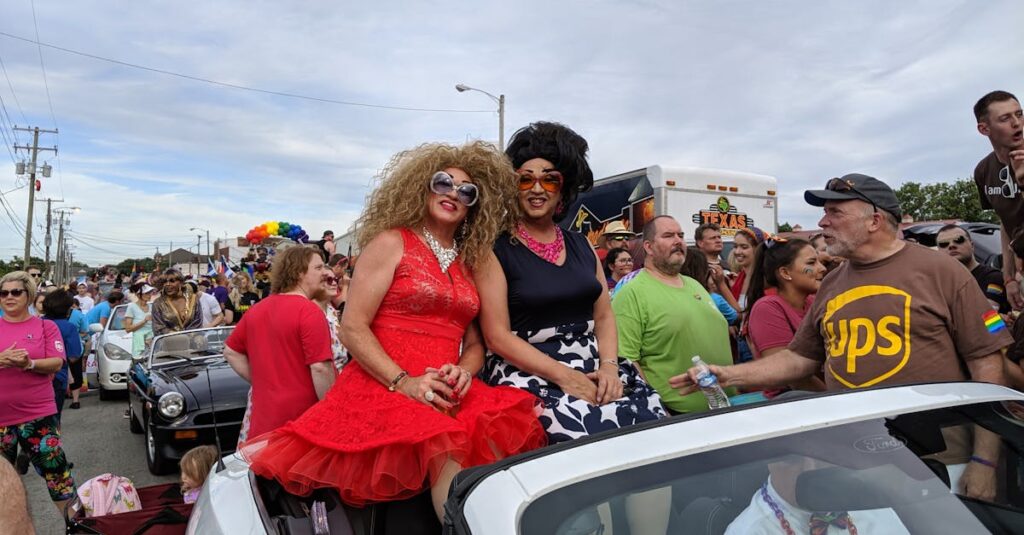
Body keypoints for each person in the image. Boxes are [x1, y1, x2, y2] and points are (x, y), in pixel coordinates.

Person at [241, 141, 547, 521]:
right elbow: (353, 328)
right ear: (422, 186)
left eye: (466, 190)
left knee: (496, 473)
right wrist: (403, 382)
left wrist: (465, 371)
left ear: (474, 206)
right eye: (443, 182)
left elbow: (475, 343)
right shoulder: (391, 242)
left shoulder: (472, 262)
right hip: (385, 384)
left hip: (448, 390)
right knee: (452, 474)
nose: (453, 192)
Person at [672, 173, 1013, 501]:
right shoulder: (832, 285)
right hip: (856, 461)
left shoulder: (942, 270)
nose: (822, 223)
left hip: (939, 463)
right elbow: (800, 358)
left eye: (834, 212)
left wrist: (986, 462)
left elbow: (986, 360)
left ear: (874, 220)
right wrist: (728, 374)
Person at [478, 121, 666, 445]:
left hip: (594, 364)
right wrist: (566, 377)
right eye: (526, 179)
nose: (537, 189)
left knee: (654, 434)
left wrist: (608, 367)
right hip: (527, 371)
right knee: (587, 445)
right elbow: (496, 336)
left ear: (562, 189)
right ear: (512, 187)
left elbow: (604, 316)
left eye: (549, 180)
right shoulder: (493, 248)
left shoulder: (581, 244)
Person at [612, 216, 734, 415]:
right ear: (649, 247)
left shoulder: (694, 284)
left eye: (681, 235)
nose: (678, 241)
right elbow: (626, 360)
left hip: (728, 406)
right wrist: (659, 410)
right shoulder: (631, 292)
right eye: (668, 236)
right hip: (679, 416)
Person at [227, 245, 336, 446]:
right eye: (319, 268)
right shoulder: (309, 312)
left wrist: (263, 381)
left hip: (262, 428)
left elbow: (231, 352)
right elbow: (320, 368)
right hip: (300, 427)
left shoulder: (257, 309)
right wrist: (333, 415)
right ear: (299, 272)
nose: (326, 273)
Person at [0, 271, 76, 513]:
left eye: (15, 292)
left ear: (29, 295)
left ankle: (78, 527)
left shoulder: (46, 326)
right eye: (3, 293)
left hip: (37, 416)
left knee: (59, 479)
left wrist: (28, 364)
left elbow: (57, 362)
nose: (8, 297)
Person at [744, 237, 827, 398]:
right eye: (811, 263)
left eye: (819, 261)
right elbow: (791, 375)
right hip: (792, 401)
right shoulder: (766, 308)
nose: (822, 268)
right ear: (785, 273)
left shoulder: (812, 301)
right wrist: (835, 398)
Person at [970, 91, 1024, 309]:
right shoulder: (984, 170)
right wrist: (1008, 277)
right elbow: (1005, 222)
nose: (1016, 123)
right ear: (985, 129)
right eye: (1005, 118)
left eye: (1019, 114)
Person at [936, 224, 1010, 314]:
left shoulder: (994, 277)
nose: (951, 245)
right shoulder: (939, 283)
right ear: (938, 251)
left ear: (972, 245)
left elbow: (986, 316)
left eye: (959, 240)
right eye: (943, 244)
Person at [730, 227, 766, 363]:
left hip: (757, 344)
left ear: (757, 249)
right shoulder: (740, 278)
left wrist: (722, 285)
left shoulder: (766, 279)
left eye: (744, 247)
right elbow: (735, 311)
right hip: (741, 342)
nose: (737, 252)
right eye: (735, 247)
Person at [681, 245, 739, 325]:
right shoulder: (713, 299)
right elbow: (738, 316)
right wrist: (721, 284)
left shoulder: (675, 296)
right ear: (705, 271)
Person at [151, 269, 202, 335]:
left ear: (181, 283)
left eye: (172, 281)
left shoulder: (193, 299)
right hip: (169, 342)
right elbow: (158, 327)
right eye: (165, 282)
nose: (168, 284)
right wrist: (178, 336)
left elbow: (198, 323)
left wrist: (188, 337)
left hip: (193, 340)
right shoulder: (158, 303)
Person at [124, 283, 158, 356]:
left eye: (150, 293)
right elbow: (128, 329)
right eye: (146, 293)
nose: (149, 295)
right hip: (138, 345)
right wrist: (144, 321)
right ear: (138, 295)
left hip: (152, 343)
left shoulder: (152, 306)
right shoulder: (131, 307)